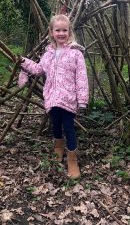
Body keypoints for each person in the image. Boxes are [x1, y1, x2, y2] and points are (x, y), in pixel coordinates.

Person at [18, 14, 89, 179]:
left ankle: (72, 160)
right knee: (55, 125)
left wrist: (82, 99)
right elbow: (39, 69)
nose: (61, 33)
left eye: (65, 30)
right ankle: (58, 149)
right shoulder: (49, 53)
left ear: (69, 31)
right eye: (58, 30)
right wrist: (24, 62)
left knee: (69, 128)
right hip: (52, 97)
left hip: (69, 99)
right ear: (51, 32)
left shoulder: (75, 53)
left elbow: (81, 77)